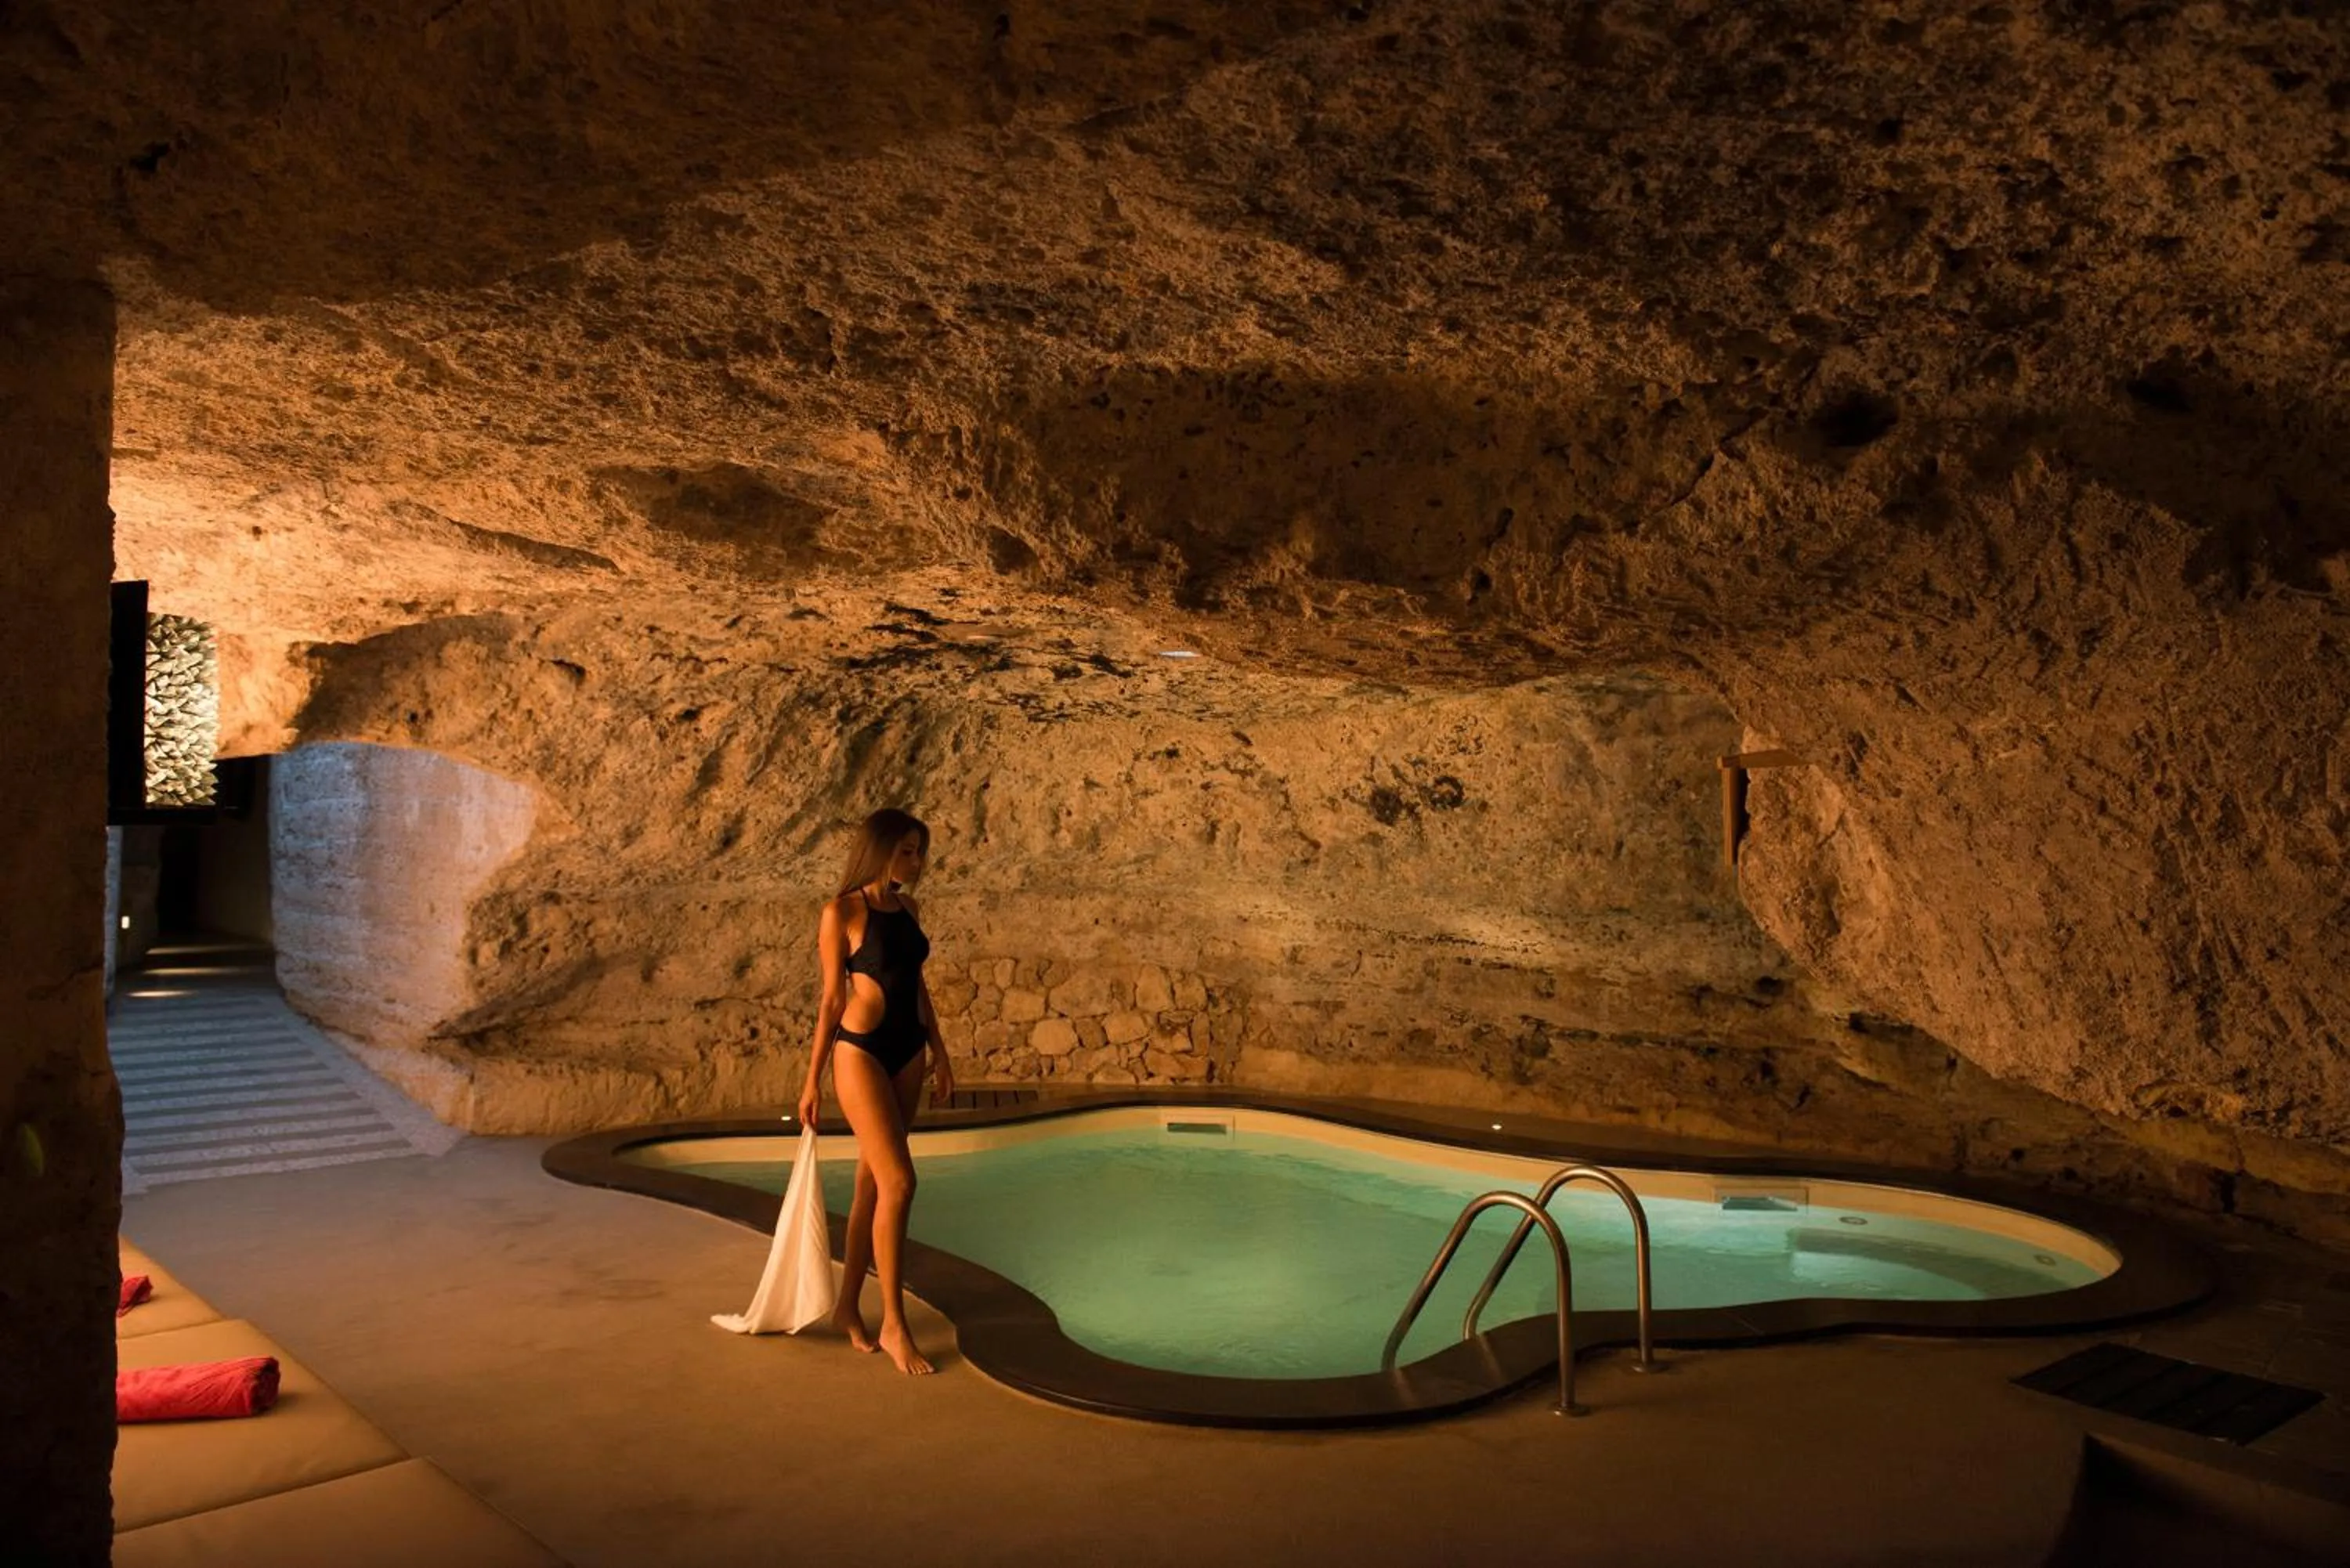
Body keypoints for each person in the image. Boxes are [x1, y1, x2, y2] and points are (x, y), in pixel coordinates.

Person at [797, 807, 954, 1375]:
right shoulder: (841, 911)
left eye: (920, 851)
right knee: (900, 1182)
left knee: (872, 1184)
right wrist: (812, 1080)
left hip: (908, 1050)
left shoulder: (909, 909)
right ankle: (893, 1323)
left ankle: (847, 1306)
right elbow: (831, 1001)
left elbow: (917, 984)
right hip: (860, 1050)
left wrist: (939, 1050)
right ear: (880, 849)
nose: (917, 862)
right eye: (907, 851)